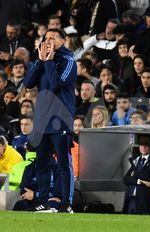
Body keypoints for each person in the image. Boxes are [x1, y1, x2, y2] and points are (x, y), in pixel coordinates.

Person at [23, 28, 76, 213]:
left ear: (63, 40)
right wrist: (40, 61)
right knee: (42, 164)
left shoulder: (68, 61)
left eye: (52, 38)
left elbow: (56, 83)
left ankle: (65, 203)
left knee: (62, 164)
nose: (48, 41)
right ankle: (43, 202)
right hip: (42, 120)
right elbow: (28, 83)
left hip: (61, 120)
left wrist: (49, 61)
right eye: (46, 38)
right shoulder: (43, 60)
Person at [123, 134, 150, 214]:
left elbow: (148, 176)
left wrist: (134, 174)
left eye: (146, 144)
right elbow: (126, 179)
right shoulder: (137, 159)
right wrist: (139, 181)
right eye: (141, 144)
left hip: (144, 201)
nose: (143, 147)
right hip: (130, 199)